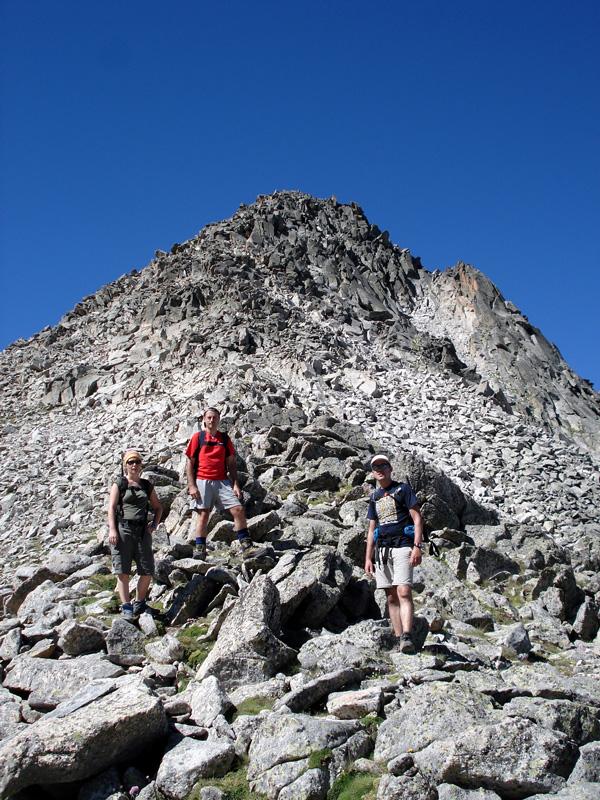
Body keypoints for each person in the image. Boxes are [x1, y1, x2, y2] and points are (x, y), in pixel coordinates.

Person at [185, 407, 266, 560]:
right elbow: (189, 462)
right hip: (202, 480)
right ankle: (200, 549)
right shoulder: (198, 437)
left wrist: (235, 484)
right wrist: (192, 486)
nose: (212, 420)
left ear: (219, 419)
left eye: (215, 417)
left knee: (238, 509)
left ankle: (247, 547)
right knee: (203, 514)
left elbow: (231, 463)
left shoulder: (224, 438)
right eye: (209, 417)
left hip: (222, 481)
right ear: (204, 419)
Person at [364, 454, 424, 654]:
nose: (380, 469)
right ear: (373, 473)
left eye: (383, 465)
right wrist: (368, 557)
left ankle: (407, 635)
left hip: (403, 546)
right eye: (376, 467)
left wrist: (417, 546)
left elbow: (417, 518)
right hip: (382, 550)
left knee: (403, 591)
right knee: (390, 597)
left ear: (390, 469)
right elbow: (372, 529)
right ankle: (400, 640)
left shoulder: (403, 489)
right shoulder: (374, 497)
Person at [108, 449, 162, 620]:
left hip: (142, 531)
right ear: (125, 465)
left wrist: (154, 524)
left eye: (137, 462)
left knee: (147, 569)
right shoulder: (119, 484)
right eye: (130, 462)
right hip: (123, 529)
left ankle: (139, 603)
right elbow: (111, 507)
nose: (134, 465)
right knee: (122, 570)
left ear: (141, 465)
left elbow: (158, 507)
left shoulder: (146, 485)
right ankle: (126, 607)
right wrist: (112, 529)